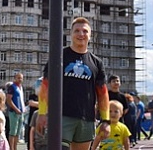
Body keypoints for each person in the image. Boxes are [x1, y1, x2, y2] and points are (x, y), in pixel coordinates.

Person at [37, 17, 111, 150]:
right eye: (77, 30)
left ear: (90, 35)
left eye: (85, 31)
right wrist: (42, 113)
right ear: (70, 34)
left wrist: (105, 120)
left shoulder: (96, 63)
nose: (81, 34)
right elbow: (45, 85)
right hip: (61, 116)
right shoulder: (58, 55)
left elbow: (102, 93)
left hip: (86, 118)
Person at [7, 72, 25, 150]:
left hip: (21, 112)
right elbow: (9, 100)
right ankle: (11, 148)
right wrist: (16, 109)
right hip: (14, 112)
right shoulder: (12, 87)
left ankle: (15, 147)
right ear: (15, 78)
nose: (20, 79)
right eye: (18, 78)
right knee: (13, 132)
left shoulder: (20, 87)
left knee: (18, 132)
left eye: (21, 78)